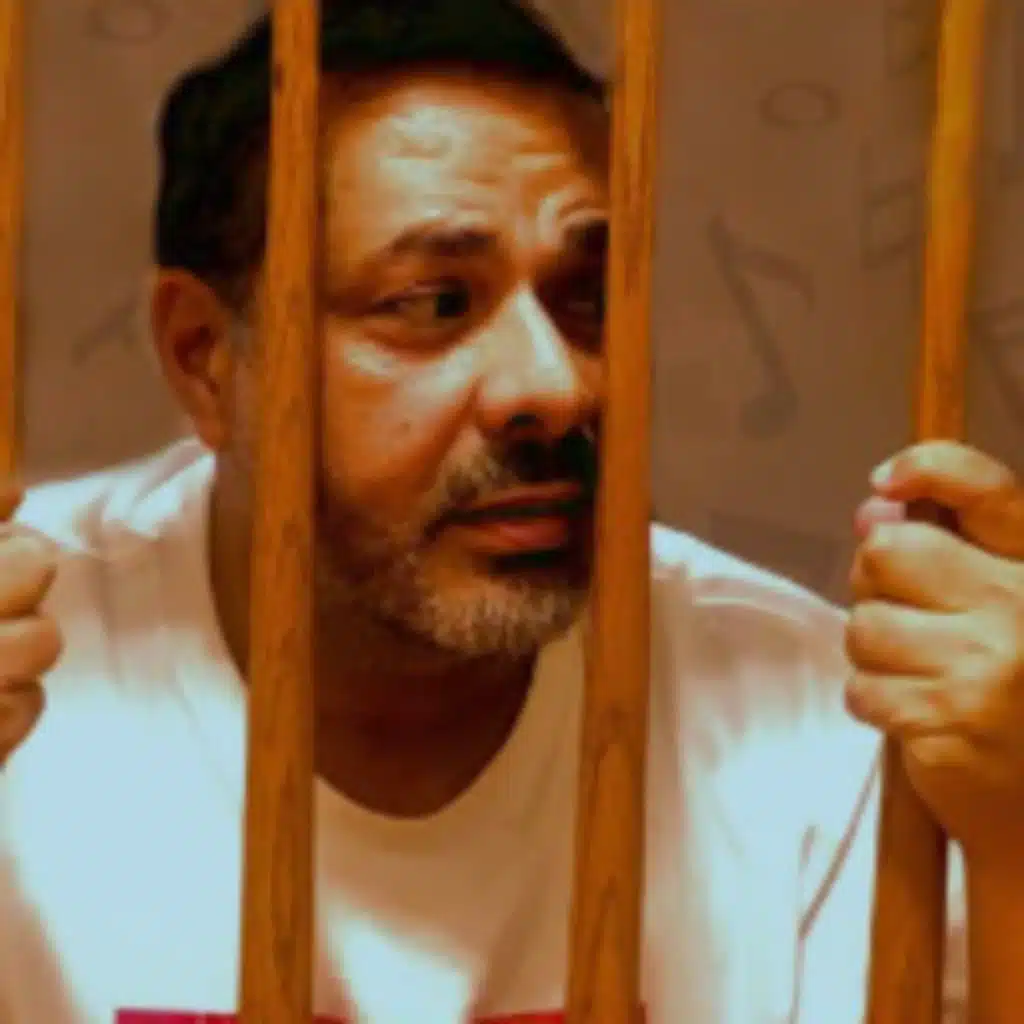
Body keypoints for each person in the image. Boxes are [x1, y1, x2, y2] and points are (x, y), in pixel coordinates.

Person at [0, 1, 1020, 1021]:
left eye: (586, 298)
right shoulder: (31, 666)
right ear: (205, 359)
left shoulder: (813, 722)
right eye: (433, 304)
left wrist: (1014, 841)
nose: (557, 386)